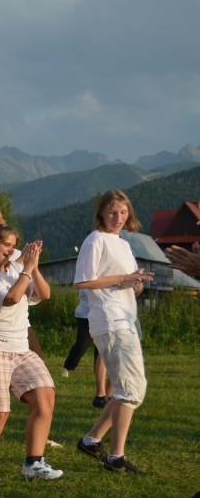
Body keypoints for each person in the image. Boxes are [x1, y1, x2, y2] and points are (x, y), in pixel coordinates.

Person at [0, 224, 63, 482]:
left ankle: (33, 462)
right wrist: (26, 269)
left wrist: (34, 266)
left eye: (14, 245)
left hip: (20, 348)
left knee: (45, 396)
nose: (11, 250)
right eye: (6, 244)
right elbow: (11, 298)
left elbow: (44, 294)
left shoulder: (17, 271)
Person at [75, 189, 153, 474]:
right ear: (101, 213)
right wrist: (123, 277)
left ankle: (92, 440)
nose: (118, 217)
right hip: (110, 321)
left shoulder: (122, 243)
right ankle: (115, 456)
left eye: (123, 212)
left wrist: (137, 282)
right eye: (112, 212)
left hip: (125, 318)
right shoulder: (95, 240)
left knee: (125, 389)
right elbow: (83, 282)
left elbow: (128, 282)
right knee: (132, 390)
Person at [60, 290, 112, 408]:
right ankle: (68, 365)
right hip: (85, 316)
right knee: (81, 345)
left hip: (103, 316)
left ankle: (103, 392)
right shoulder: (87, 274)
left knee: (101, 350)